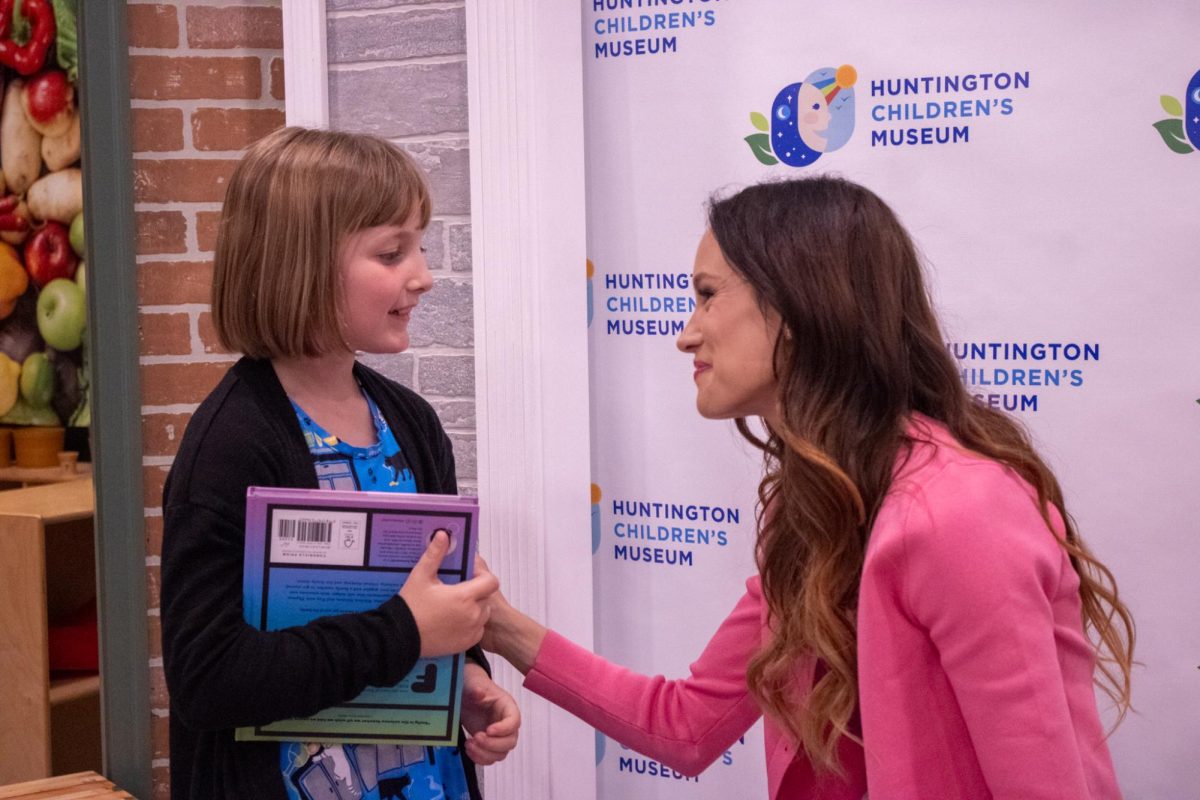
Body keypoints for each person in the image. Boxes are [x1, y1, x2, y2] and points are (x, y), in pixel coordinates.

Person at [482, 176, 1134, 799]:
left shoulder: (960, 515)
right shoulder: (819, 514)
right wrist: (499, 624)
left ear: (794, 304)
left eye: (708, 295)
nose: (687, 333)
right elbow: (686, 726)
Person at [161, 127, 519, 800]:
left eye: (418, 245)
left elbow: (430, 598)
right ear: (300, 263)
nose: (424, 274)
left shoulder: (412, 423)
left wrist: (465, 677)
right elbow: (208, 677)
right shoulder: (231, 445)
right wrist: (407, 632)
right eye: (392, 252)